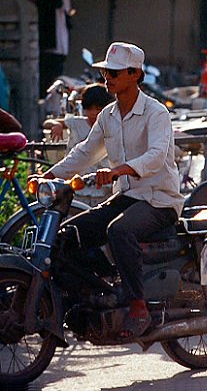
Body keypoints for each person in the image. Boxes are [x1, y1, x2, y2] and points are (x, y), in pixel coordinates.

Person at [37, 42, 184, 340]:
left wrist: (119, 170)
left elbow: (157, 156)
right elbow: (85, 153)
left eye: (115, 72)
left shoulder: (156, 113)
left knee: (119, 231)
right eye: (106, 72)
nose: (108, 78)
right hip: (127, 197)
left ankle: (138, 307)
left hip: (159, 200)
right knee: (67, 236)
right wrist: (50, 175)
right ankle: (93, 297)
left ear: (135, 74)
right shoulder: (107, 115)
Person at [42, 83, 114, 206]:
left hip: (104, 187)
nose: (92, 113)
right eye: (88, 109)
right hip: (77, 186)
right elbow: (47, 123)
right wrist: (57, 125)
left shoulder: (113, 127)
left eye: (97, 109)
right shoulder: (76, 123)